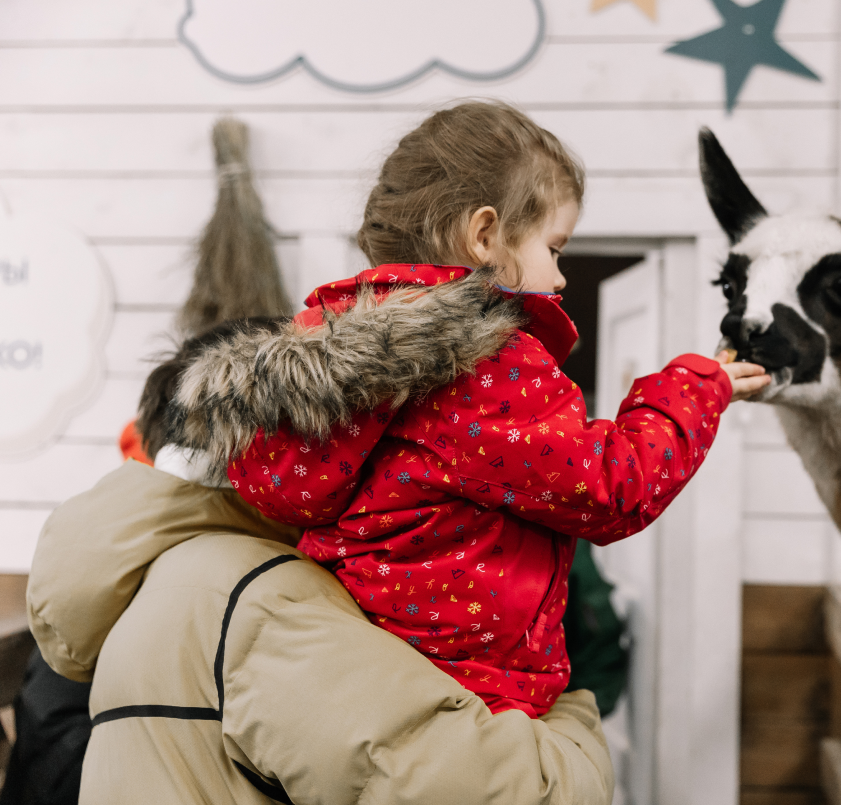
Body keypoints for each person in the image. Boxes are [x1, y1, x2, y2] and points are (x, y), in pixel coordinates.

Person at [167, 101, 770, 719]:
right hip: (476, 695)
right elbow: (613, 485)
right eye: (554, 249)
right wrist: (697, 387)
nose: (560, 279)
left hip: (366, 681)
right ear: (484, 236)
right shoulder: (484, 368)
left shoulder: (328, 367)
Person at [27, 317, 618, 804]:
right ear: (271, 451)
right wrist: (570, 718)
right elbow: (488, 792)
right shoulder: (257, 596)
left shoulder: (161, 577)